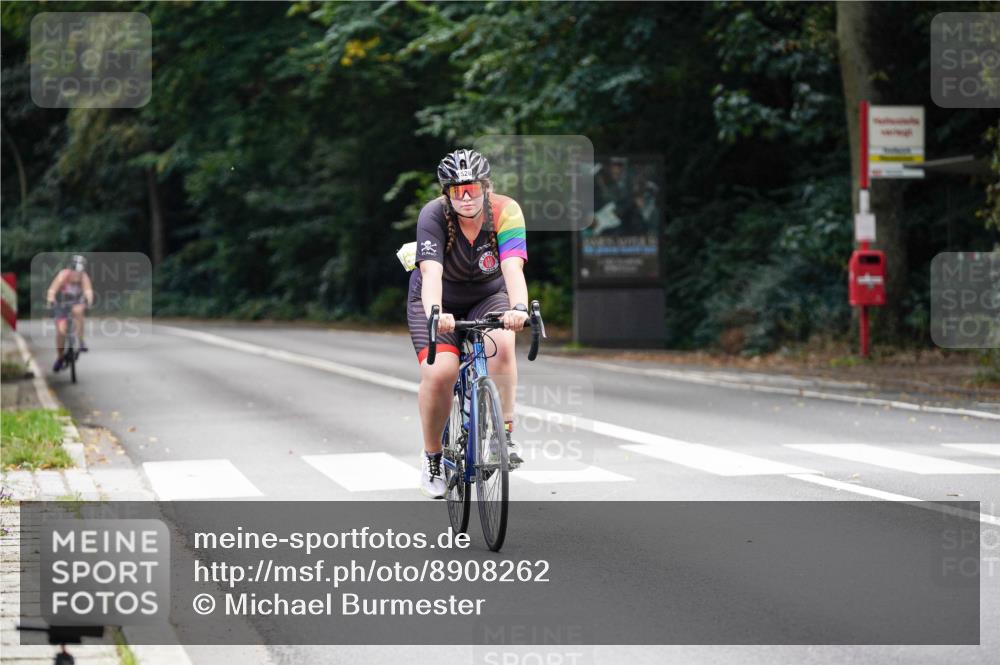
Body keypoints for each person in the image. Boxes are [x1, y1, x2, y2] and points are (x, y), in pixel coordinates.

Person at [408, 149, 530, 498]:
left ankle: (503, 435)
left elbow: (512, 268)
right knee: (440, 373)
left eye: (472, 188)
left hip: (487, 296)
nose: (465, 197)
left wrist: (519, 308)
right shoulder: (433, 214)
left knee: (503, 345)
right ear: (446, 193)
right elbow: (431, 273)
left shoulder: (506, 210)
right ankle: (433, 456)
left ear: (486, 187)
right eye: (456, 190)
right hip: (438, 300)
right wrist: (436, 313)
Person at [46, 255, 94, 372]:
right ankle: (60, 357)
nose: (77, 276)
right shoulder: (63, 275)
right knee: (61, 330)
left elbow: (88, 291)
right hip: (61, 303)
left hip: (76, 302)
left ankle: (81, 341)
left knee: (79, 311)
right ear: (70, 270)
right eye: (75, 272)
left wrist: (88, 300)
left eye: (79, 273)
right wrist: (51, 299)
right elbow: (52, 290)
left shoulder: (84, 277)